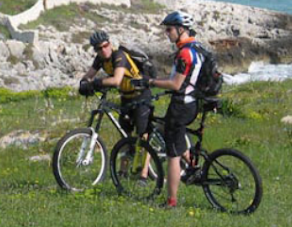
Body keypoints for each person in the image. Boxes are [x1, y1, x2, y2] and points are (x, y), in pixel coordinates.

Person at [78, 31, 153, 180]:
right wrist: (83, 84)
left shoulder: (119, 56)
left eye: (105, 46)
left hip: (141, 95)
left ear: (110, 44)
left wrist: (96, 83)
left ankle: (143, 175)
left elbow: (116, 80)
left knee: (143, 135)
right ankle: (123, 172)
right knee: (124, 134)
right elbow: (88, 76)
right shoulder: (99, 60)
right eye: (99, 48)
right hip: (126, 97)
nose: (103, 50)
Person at [146, 11, 202, 208]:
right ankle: (194, 167)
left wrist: (151, 82)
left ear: (181, 29)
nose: (166, 33)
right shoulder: (197, 48)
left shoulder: (185, 53)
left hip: (181, 106)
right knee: (176, 138)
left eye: (169, 29)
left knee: (172, 156)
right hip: (192, 103)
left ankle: (171, 201)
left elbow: (176, 84)